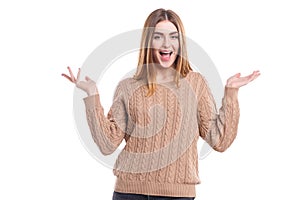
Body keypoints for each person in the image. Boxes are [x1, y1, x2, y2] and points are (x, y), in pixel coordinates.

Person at [62, 8, 260, 200]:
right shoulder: (128, 87)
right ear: (148, 42)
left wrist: (231, 93)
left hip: (177, 196)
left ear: (180, 42)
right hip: (129, 193)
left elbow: (220, 141)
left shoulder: (196, 84)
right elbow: (107, 144)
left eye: (173, 36)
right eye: (158, 37)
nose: (167, 44)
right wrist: (92, 94)